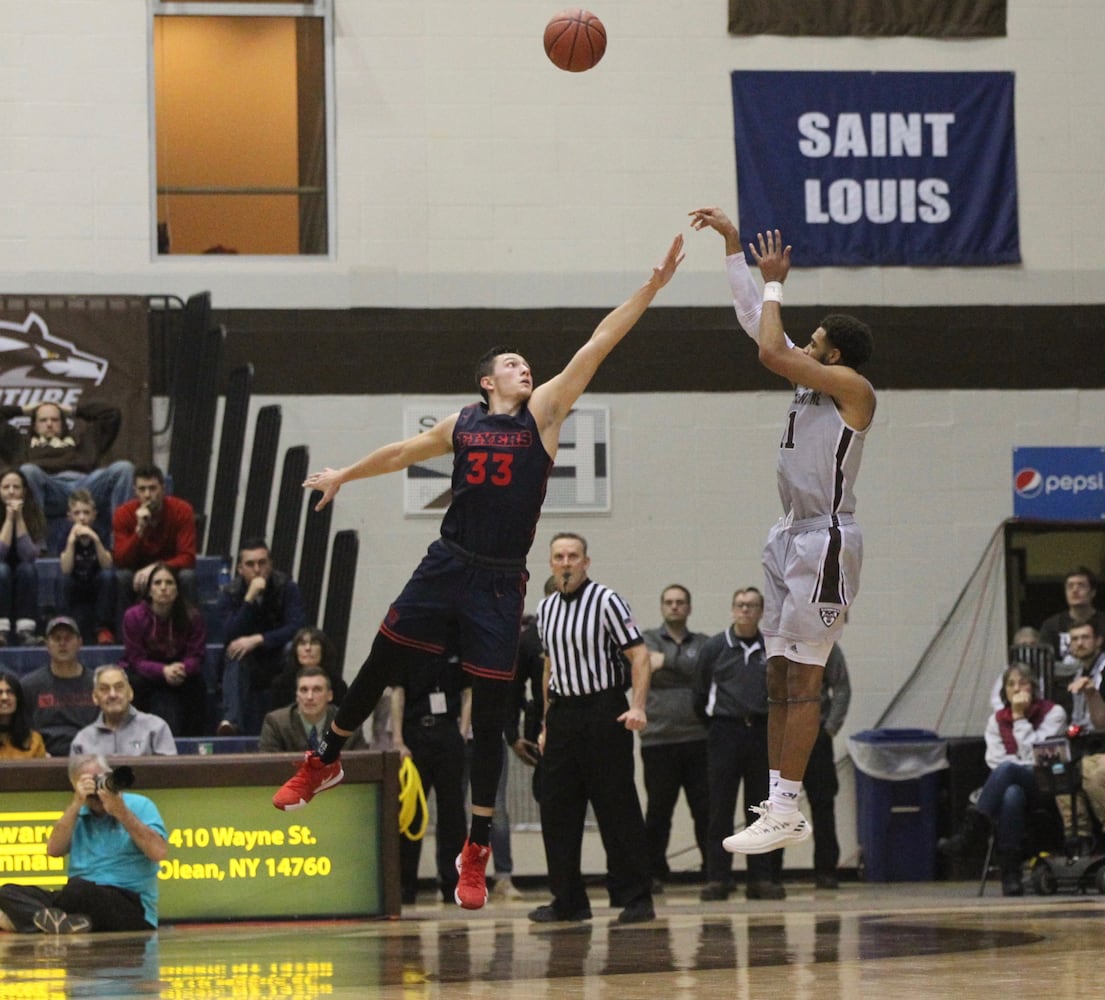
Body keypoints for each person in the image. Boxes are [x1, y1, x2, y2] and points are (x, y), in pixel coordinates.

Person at [271, 235, 685, 915]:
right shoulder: (462, 423)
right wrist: (346, 473)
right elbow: (404, 451)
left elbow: (596, 345)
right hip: (447, 563)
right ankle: (325, 760)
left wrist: (650, 288)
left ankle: (474, 850)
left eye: (527, 363)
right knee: (380, 657)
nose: (527, 368)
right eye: (513, 364)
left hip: (497, 580)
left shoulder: (544, 416)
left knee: (490, 718)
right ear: (487, 380)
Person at [690, 207, 875, 855]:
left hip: (825, 539)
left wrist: (776, 284)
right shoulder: (811, 377)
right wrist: (735, 251)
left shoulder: (851, 387)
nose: (806, 341)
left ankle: (789, 806)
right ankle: (778, 803)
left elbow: (769, 346)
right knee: (776, 675)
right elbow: (756, 326)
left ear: (835, 353)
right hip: (788, 534)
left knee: (802, 680)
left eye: (816, 338)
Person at [528, 532, 655, 925]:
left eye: (573, 556)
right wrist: (547, 724)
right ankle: (568, 899)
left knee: (616, 805)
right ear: (550, 564)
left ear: (586, 562)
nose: (566, 562)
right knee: (557, 809)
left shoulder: (607, 601)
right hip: (564, 716)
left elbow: (640, 655)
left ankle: (636, 897)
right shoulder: (545, 608)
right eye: (559, 556)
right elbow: (549, 669)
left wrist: (637, 705)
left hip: (603, 711)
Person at [0, 753, 167, 934]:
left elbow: (158, 852)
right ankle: (62, 924)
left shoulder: (140, 805)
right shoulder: (78, 812)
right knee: (7, 892)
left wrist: (121, 812)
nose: (97, 795)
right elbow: (54, 850)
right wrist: (77, 804)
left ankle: (39, 923)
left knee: (78, 890)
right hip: (77, 898)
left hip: (129, 903)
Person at [938, 664, 1067, 895]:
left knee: (1009, 771)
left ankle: (971, 834)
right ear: (1004, 691)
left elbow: (1036, 758)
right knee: (1011, 795)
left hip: (1046, 786)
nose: (1017, 688)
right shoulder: (995, 721)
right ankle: (1010, 876)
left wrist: (1019, 718)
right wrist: (1016, 762)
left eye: (1023, 683)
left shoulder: (1053, 713)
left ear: (1034, 688)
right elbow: (995, 763)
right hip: (1013, 787)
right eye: (1011, 684)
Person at [694, 587, 784, 902]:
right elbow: (699, 694)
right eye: (740, 605)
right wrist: (719, 724)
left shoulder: (771, 648)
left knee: (761, 810)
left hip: (761, 732)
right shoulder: (715, 647)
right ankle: (718, 878)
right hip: (724, 732)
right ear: (732, 609)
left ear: (761, 611)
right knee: (719, 808)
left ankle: (761, 879)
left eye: (752, 606)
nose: (745, 610)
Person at [639, 584, 710, 890]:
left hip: (699, 738)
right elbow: (642, 667)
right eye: (669, 602)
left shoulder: (705, 644)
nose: (675, 606)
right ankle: (653, 872)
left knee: (706, 810)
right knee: (658, 811)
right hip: (658, 740)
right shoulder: (646, 640)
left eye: (680, 602)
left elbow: (705, 673)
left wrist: (665, 663)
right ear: (662, 607)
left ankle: (714, 870)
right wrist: (688, 672)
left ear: (689, 607)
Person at [391, 649, 471, 905]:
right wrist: (398, 741)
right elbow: (397, 694)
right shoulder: (406, 647)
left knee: (453, 815)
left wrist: (461, 732)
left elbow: (468, 693)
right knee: (411, 812)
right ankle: (406, 885)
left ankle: (452, 884)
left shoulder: (457, 645)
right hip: (415, 733)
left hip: (448, 732)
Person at [0, 401, 134, 553]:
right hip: (50, 489)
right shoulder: (21, 444)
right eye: (43, 420)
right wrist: (23, 410)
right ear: (34, 425)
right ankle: (38, 545)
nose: (49, 424)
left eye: (55, 419)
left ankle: (120, 542)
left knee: (124, 468)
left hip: (87, 486)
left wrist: (72, 410)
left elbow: (112, 414)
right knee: (28, 471)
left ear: (64, 423)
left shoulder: (82, 441)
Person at [215, 539, 307, 736]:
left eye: (262, 563)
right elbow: (229, 634)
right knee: (234, 652)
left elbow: (296, 626)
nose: (257, 569)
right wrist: (249, 599)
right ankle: (231, 723)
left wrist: (259, 639)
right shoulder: (230, 593)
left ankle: (298, 721)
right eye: (250, 564)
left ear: (270, 564)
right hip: (249, 661)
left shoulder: (286, 587)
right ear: (240, 569)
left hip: (278, 655)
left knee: (297, 647)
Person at [121, 562, 207, 737]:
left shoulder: (193, 617)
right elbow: (135, 660)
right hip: (146, 670)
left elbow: (196, 655)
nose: (163, 588)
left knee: (197, 685)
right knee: (133, 683)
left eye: (169, 583)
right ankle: (136, 739)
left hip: (179, 670)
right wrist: (163, 671)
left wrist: (182, 668)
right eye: (157, 583)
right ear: (149, 590)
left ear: (177, 590)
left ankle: (191, 743)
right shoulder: (133, 616)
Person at [112, 464, 197, 617]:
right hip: (138, 574)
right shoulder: (123, 513)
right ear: (135, 491)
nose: (147, 495)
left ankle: (189, 633)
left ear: (163, 489)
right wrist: (139, 531)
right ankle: (124, 636)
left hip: (171, 569)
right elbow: (120, 560)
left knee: (188, 576)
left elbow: (188, 557)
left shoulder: (182, 510)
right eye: (142, 489)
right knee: (122, 577)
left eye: (152, 488)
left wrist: (157, 568)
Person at [804, 642, 851, 889]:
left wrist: (830, 728)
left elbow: (841, 686)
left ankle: (826, 870)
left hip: (815, 733)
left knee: (822, 804)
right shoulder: (767, 640)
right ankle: (769, 873)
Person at [20, 616, 98, 755]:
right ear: (47, 645)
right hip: (42, 759)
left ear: (80, 643)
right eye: (56, 638)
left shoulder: (98, 683)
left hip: (90, 756)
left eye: (68, 638)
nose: (62, 643)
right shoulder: (29, 685)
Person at [69, 665, 177, 757]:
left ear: (130, 693)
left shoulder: (156, 728)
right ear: (95, 697)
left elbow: (170, 777)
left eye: (119, 687)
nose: (112, 694)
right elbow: (76, 780)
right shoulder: (82, 740)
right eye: (104, 689)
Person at [259, 665, 367, 753]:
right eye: (304, 690)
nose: (309, 697)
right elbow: (268, 770)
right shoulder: (276, 723)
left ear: (329, 695)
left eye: (317, 690)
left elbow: (360, 767)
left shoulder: (347, 723)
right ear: (297, 696)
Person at [56, 488, 117, 646]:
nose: (82, 518)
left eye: (86, 512)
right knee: (62, 579)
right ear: (70, 516)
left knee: (108, 576)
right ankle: (64, 627)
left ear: (94, 514)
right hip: (75, 585)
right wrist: (70, 542)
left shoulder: (101, 531)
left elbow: (107, 564)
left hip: (95, 585)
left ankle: (103, 628)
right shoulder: (64, 533)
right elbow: (66, 569)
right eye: (77, 513)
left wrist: (96, 540)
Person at [0, 467, 46, 645]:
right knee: (1, 569)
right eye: (6, 487)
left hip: (23, 572)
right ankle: (1, 631)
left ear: (24, 491)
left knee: (27, 569)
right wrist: (8, 519)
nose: (11, 491)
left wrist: (18, 519)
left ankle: (25, 631)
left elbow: (28, 556)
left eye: (16, 487)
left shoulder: (34, 514)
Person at [269, 626, 349, 711]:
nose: (308, 648)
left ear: (323, 649)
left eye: (314, 643)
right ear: (295, 650)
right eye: (302, 644)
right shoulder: (281, 684)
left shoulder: (337, 685)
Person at [1038, 567, 1105, 662]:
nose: (1075, 590)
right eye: (1070, 586)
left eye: (1081, 585)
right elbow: (1045, 664)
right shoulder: (1051, 626)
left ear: (1092, 592)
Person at [0, 670, 47, 759]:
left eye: (10, 692)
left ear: (18, 698)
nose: (4, 697)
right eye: (0, 692)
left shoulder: (33, 740)